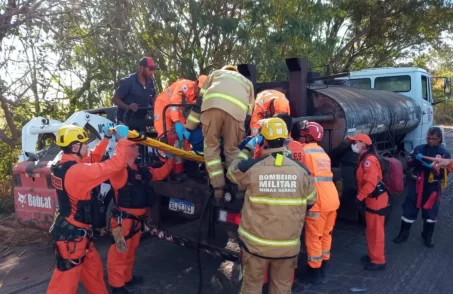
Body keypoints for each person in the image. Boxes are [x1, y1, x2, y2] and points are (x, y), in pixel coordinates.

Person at [227, 117, 317, 294]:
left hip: (255, 247)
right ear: (285, 139)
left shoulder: (252, 168)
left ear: (264, 140)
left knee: (252, 286)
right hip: (287, 248)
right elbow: (311, 202)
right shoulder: (302, 171)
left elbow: (232, 171)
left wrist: (248, 148)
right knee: (282, 289)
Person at [46, 124, 130, 294]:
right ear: (76, 147)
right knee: (64, 285)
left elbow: (92, 158)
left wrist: (106, 139)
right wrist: (122, 142)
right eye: (85, 144)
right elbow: (115, 165)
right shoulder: (77, 172)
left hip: (76, 234)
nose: (88, 147)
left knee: (94, 273)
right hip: (73, 240)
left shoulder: (63, 165)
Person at [107, 142, 175, 293]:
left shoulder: (141, 171)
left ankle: (126, 278)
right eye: (134, 146)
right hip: (121, 221)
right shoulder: (119, 172)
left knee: (130, 251)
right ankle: (116, 285)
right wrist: (123, 140)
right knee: (119, 253)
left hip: (135, 222)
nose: (138, 148)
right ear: (127, 150)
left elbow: (160, 173)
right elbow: (115, 163)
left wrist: (171, 159)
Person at [188, 64, 255, 203]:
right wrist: (239, 132)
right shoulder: (247, 83)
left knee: (211, 147)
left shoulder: (215, 74)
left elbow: (200, 102)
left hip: (211, 109)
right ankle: (237, 186)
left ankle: (218, 189)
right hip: (236, 115)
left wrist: (189, 127)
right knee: (231, 149)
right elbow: (249, 113)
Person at [393, 127, 451, 247]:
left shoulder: (445, 154)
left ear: (439, 139)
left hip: (432, 186)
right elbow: (408, 162)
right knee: (409, 208)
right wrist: (418, 160)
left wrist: (436, 168)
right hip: (416, 183)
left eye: (433, 139)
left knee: (431, 211)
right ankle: (403, 234)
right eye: (428, 138)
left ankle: (427, 236)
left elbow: (447, 172)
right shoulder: (419, 149)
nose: (430, 141)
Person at [298, 121, 340, 284]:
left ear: (307, 136)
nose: (300, 136)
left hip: (318, 202)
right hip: (332, 199)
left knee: (314, 237)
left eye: (302, 133)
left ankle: (313, 271)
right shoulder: (323, 153)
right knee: (326, 235)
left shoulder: (304, 152)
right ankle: (323, 266)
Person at [347, 134, 388, 271]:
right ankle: (373, 255)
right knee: (371, 229)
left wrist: (360, 197)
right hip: (373, 198)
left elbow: (371, 183)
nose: (353, 145)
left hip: (376, 199)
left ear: (364, 144)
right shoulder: (364, 158)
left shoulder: (368, 160)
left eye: (355, 142)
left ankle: (378, 260)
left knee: (376, 231)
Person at [112, 57, 158, 125]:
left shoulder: (150, 82)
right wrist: (128, 107)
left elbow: (152, 98)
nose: (152, 72)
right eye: (150, 69)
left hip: (142, 122)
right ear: (142, 68)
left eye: (153, 70)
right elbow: (115, 99)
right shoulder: (128, 81)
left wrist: (158, 103)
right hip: (125, 122)